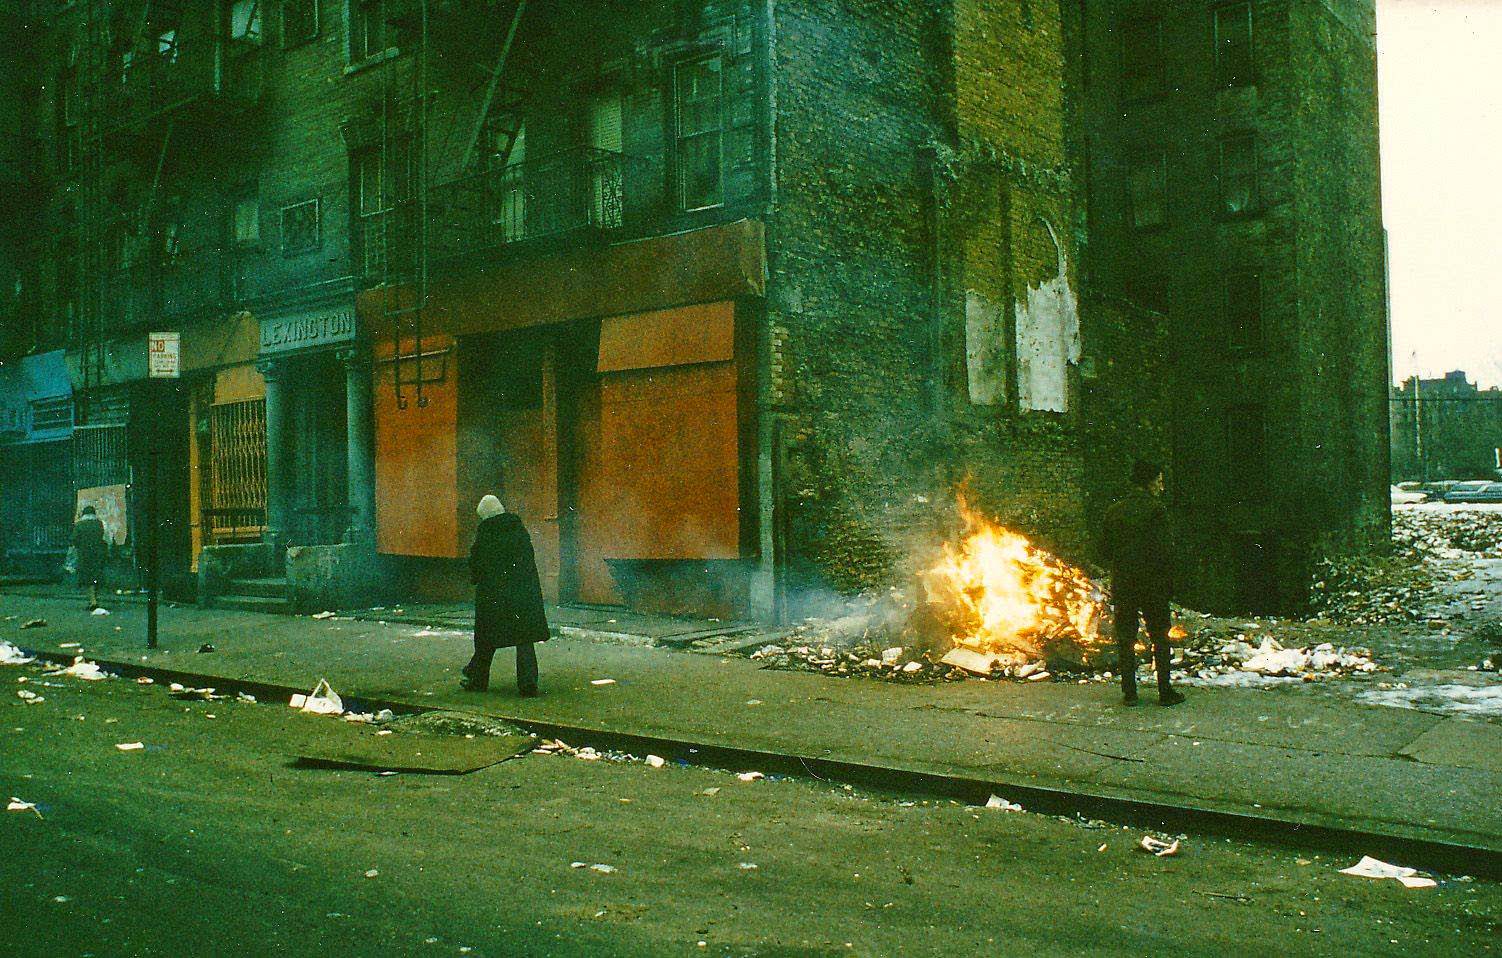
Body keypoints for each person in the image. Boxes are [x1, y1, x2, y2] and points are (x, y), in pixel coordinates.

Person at [1101, 460, 1185, 707]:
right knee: (1160, 636)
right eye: (1159, 482)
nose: (1161, 487)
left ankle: (1130, 693)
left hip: (1125, 583)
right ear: (1149, 483)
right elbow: (1165, 551)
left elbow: (1104, 549)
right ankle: (1165, 691)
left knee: (1126, 637)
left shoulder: (1114, 511)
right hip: (1152, 584)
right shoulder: (1156, 511)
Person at [462, 494, 549, 695]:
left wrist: (476, 577)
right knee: (524, 640)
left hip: (493, 596)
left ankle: (478, 679)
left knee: (486, 638)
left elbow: (477, 564)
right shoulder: (518, 529)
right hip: (522, 594)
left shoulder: (486, 532)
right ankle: (528, 685)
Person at [72, 504, 109, 611]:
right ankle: (94, 599)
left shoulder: (79, 525)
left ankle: (93, 601)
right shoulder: (100, 524)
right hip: (98, 554)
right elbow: (106, 538)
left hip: (85, 555)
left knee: (88, 578)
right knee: (96, 577)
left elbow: (75, 539)